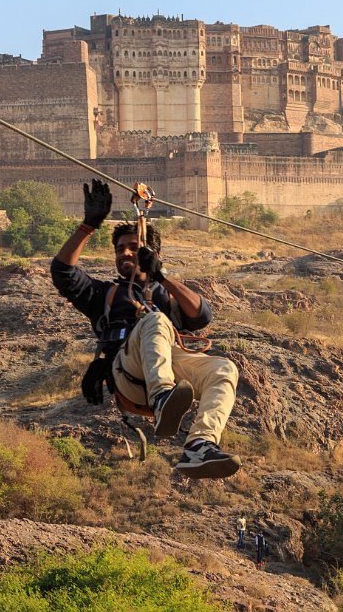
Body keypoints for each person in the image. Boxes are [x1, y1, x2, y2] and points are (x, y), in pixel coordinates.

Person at [51, 179, 241, 479]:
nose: (125, 254)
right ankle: (163, 398)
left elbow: (202, 315)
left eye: (133, 248)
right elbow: (62, 273)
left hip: (168, 373)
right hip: (130, 378)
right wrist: (88, 226)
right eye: (120, 250)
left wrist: (161, 276)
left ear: (150, 253)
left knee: (225, 369)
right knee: (154, 320)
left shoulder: (165, 293)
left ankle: (200, 445)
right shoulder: (105, 295)